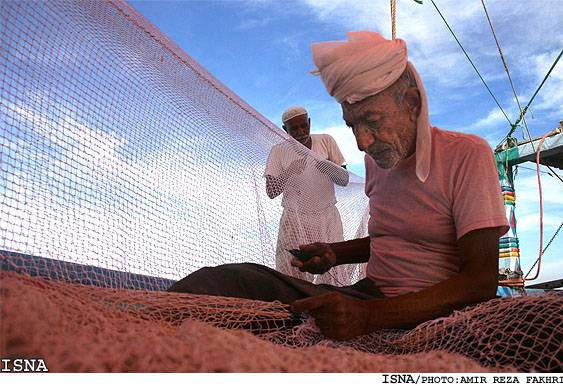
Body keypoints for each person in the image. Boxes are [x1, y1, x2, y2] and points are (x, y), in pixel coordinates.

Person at [168, 31, 509, 341]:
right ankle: (142, 329)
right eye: (353, 125)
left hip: (428, 312)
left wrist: (370, 316)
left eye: (372, 121)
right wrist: (334, 253)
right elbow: (390, 237)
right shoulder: (375, 160)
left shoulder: (467, 154)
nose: (363, 142)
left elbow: (480, 281)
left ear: (412, 105)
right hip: (367, 294)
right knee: (232, 281)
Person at [264, 106, 349, 284]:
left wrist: (327, 166)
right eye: (294, 129)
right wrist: (289, 172)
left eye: (304, 126)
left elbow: (344, 179)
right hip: (294, 220)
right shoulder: (279, 151)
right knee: (292, 270)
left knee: (332, 267)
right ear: (284, 130)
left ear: (309, 123)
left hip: (327, 217)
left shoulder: (326, 141)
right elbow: (271, 192)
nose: (301, 132)